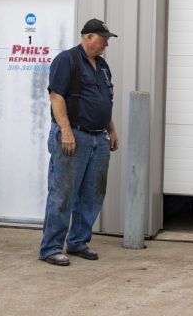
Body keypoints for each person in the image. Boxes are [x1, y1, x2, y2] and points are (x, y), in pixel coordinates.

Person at [39, 18, 120, 266]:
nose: (106, 43)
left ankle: (77, 241)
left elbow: (103, 100)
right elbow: (56, 96)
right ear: (87, 37)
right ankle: (51, 248)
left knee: (92, 193)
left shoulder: (103, 66)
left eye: (107, 39)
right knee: (62, 193)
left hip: (98, 137)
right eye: (102, 38)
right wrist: (65, 131)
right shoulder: (67, 60)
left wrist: (111, 130)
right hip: (74, 136)